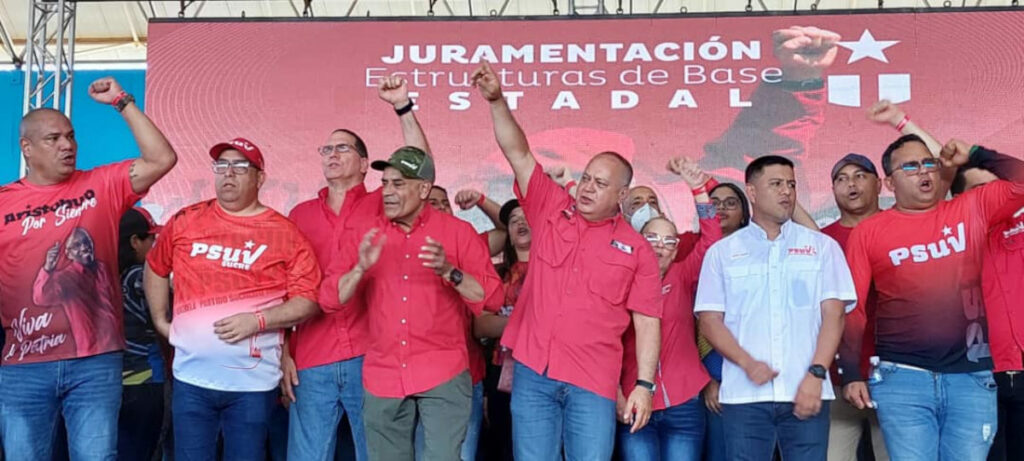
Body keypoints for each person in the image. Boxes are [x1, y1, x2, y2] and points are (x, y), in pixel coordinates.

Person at [473, 61, 664, 460]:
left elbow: (647, 320)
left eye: (601, 183)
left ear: (622, 195)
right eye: (587, 178)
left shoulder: (638, 249)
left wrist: (644, 385)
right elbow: (519, 153)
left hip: (593, 380)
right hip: (533, 373)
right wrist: (496, 102)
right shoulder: (550, 209)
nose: (588, 188)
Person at [0, 77, 177, 461]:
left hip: (95, 362)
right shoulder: (3, 203)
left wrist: (121, 101)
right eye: (53, 139)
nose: (67, 145)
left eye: (71, 136)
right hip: (22, 365)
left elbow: (162, 159)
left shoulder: (100, 185)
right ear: (26, 148)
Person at [841, 137, 1024, 460]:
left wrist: (978, 155)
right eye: (910, 166)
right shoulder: (869, 232)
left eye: (929, 163)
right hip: (903, 379)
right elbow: (852, 309)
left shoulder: (971, 209)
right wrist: (852, 373)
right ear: (888, 182)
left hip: (971, 378)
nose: (923, 172)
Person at [144, 137, 322, 461]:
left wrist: (258, 321)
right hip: (190, 378)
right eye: (221, 166)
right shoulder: (186, 220)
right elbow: (155, 266)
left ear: (260, 178)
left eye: (240, 166)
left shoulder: (284, 233)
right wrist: (160, 319)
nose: (229, 173)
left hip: (252, 384)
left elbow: (307, 300)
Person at [284, 74, 430, 461]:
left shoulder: (385, 201)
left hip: (374, 353)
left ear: (365, 163)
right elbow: (285, 288)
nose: (331, 154)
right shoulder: (299, 215)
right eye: (326, 148)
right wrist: (281, 352)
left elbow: (420, 169)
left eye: (343, 148)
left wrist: (402, 107)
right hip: (311, 358)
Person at [330, 146, 503, 461]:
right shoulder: (365, 235)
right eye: (384, 184)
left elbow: (491, 298)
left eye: (398, 184)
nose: (388, 192)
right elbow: (329, 299)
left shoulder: (457, 233)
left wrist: (449, 271)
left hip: (443, 372)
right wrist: (359, 268)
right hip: (384, 374)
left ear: (424, 189)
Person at [694, 155, 856, 461]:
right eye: (776, 184)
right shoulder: (722, 253)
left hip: (807, 390)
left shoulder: (822, 247)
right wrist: (747, 363)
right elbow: (710, 320)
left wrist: (816, 374)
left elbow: (833, 315)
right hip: (744, 395)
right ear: (752, 192)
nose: (786, 192)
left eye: (791, 185)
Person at [616, 157, 721, 461]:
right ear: (637, 242)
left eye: (668, 241)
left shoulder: (683, 273)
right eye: (652, 238)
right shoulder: (618, 281)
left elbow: (712, 235)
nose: (660, 246)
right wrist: (617, 397)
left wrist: (698, 188)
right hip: (633, 398)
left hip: (684, 401)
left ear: (676, 248)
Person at [951, 160, 1024, 461]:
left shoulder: (1018, 231)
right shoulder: (948, 246)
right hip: (976, 379)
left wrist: (979, 154)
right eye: (981, 191)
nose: (992, 197)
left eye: (996, 188)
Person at [819, 153, 889, 461]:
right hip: (836, 379)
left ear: (880, 184)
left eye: (860, 175)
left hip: (896, 375)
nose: (851, 184)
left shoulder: (903, 229)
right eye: (842, 178)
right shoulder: (821, 242)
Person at [698, 181, 751, 461]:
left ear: (744, 213)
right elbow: (691, 325)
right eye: (714, 202)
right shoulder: (694, 252)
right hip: (713, 369)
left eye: (730, 203)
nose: (721, 208)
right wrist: (706, 379)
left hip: (756, 372)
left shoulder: (763, 253)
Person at [118, 206, 169, 461]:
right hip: (145, 381)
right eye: (151, 238)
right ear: (135, 242)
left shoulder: (102, 275)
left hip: (106, 383)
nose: (155, 244)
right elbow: (168, 317)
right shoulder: (141, 276)